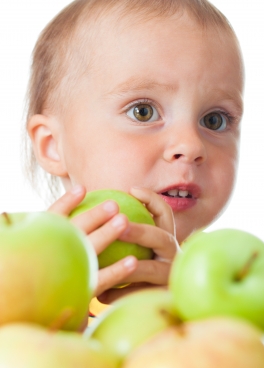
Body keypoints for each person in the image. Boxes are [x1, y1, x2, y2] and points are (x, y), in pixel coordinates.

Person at [24, 0, 244, 323]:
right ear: (53, 145)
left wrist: (184, 309)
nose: (191, 145)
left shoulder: (234, 283)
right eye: (143, 112)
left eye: (214, 120)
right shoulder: (17, 276)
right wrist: (42, 310)